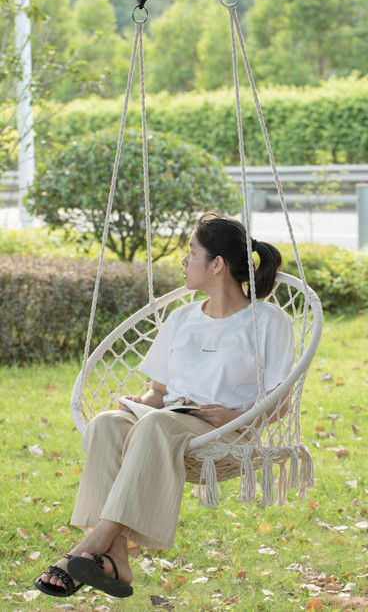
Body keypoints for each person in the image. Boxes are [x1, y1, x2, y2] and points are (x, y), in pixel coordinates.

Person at [35, 211, 295, 599]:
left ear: (217, 264)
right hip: (168, 417)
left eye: (191, 252)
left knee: (157, 425)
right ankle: (116, 560)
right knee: (107, 423)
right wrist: (135, 403)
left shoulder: (269, 321)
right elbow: (159, 391)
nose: (183, 261)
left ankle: (91, 544)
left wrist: (236, 416)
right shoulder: (183, 317)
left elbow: (280, 403)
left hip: (225, 430)